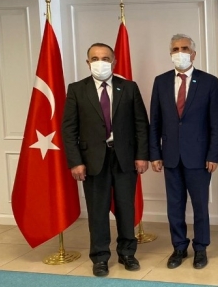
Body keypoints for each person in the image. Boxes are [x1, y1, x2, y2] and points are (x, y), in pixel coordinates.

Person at [62, 43, 149, 277]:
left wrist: (142, 156)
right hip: (92, 160)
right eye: (95, 58)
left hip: (125, 158)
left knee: (125, 208)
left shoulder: (128, 87)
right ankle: (100, 257)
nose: (100, 62)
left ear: (114, 62)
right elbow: (69, 129)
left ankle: (127, 253)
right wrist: (75, 161)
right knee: (97, 210)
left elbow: (141, 124)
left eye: (105, 58)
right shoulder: (77, 89)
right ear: (87, 62)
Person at [149, 34, 218, 270]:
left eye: (184, 48)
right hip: (170, 156)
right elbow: (155, 121)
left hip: (200, 157)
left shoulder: (209, 82)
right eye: (175, 49)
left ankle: (200, 248)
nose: (179, 52)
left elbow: (216, 123)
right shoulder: (161, 82)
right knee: (174, 205)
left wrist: (213, 155)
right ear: (170, 53)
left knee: (200, 206)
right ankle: (179, 247)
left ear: (193, 54)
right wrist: (155, 153)